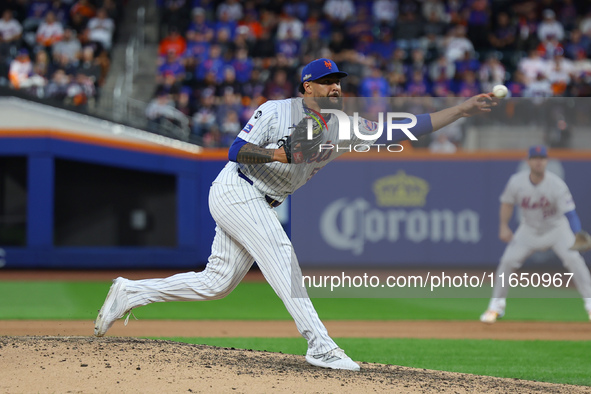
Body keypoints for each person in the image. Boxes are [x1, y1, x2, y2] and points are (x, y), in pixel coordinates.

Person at [94, 58, 494, 371]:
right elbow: (236, 150)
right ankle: (320, 345)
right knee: (283, 258)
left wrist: (460, 110)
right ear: (308, 87)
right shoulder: (277, 111)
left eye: (339, 81)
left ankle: (131, 292)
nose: (336, 87)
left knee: (216, 284)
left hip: (263, 199)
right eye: (327, 81)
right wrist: (277, 153)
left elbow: (404, 128)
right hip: (238, 188)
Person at [480, 145, 591, 323]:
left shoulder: (556, 184)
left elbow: (570, 213)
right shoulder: (516, 182)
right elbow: (507, 203)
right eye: (535, 158)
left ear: (547, 161)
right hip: (529, 229)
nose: (539, 161)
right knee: (507, 262)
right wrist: (503, 226)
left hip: (556, 229)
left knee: (574, 260)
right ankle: (495, 307)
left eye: (542, 158)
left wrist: (577, 232)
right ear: (528, 161)